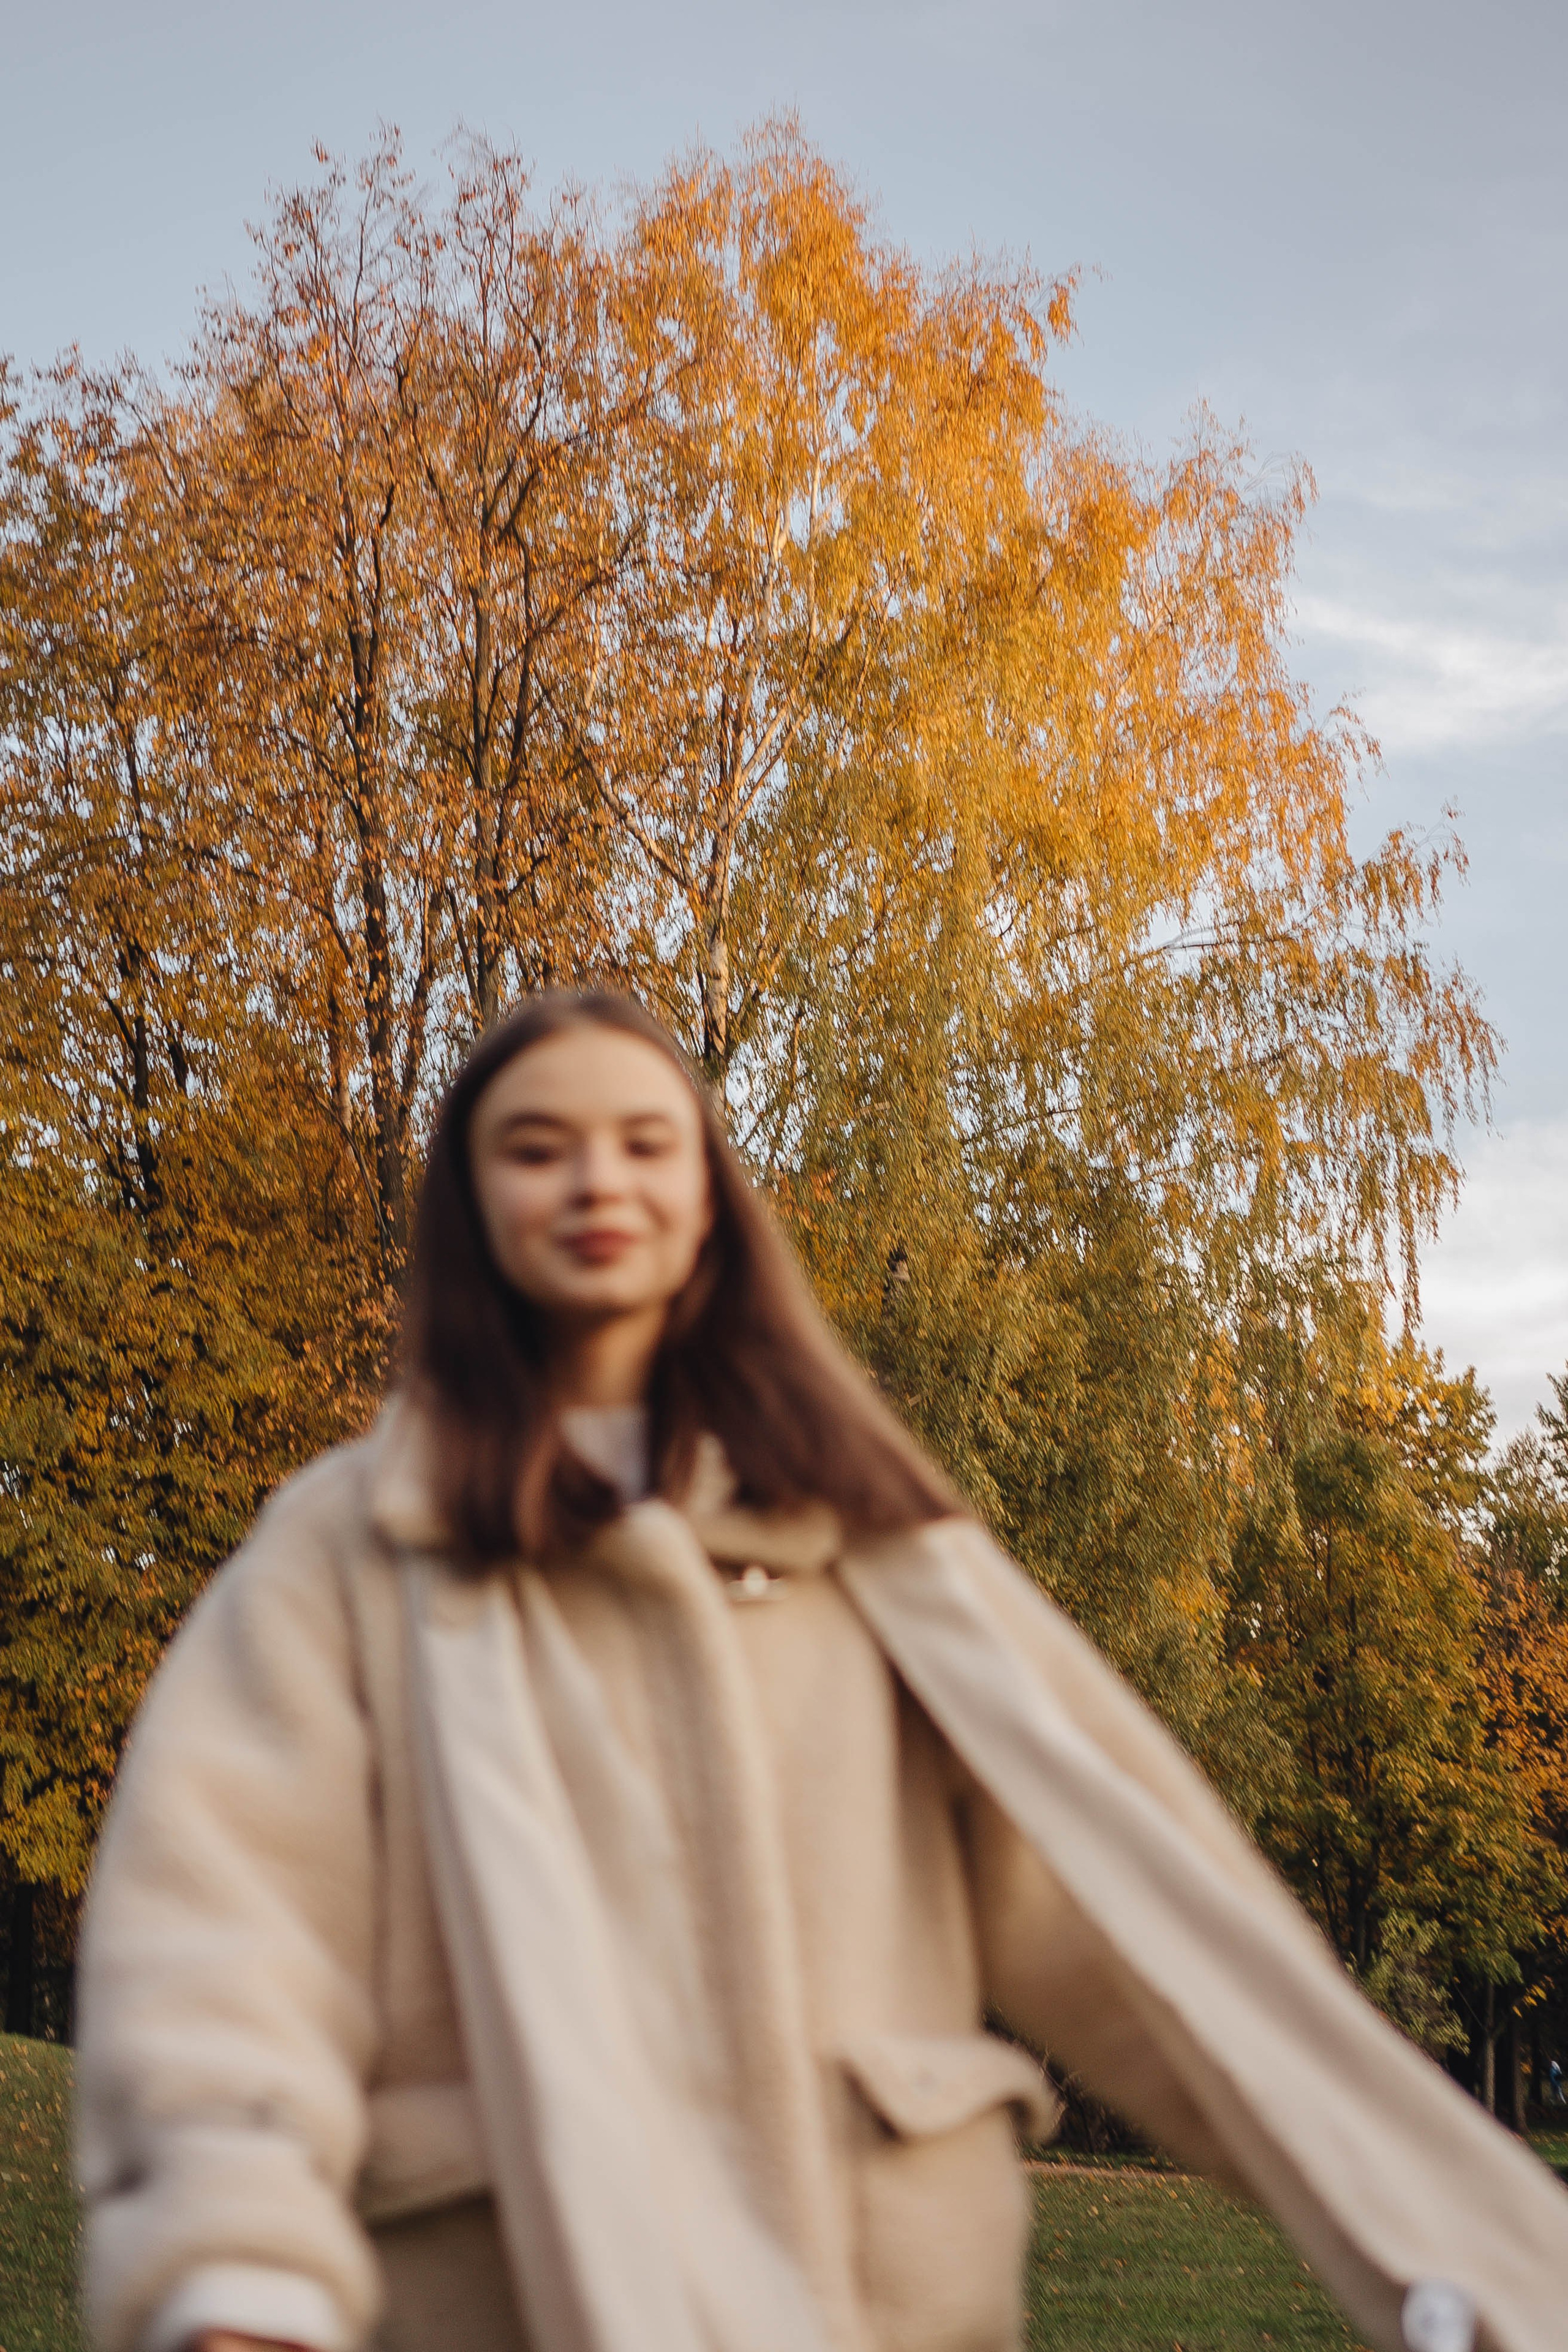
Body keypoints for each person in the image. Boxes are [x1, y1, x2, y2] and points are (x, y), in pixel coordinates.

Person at [74, 992, 1568, 2352]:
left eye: (645, 1145)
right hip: (503, 2298)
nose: (598, 1184)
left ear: (707, 1197)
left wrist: (1429, 2239)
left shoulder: (866, 1540)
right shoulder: (349, 1552)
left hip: (885, 2300)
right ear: (471, 1201)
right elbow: (225, 1949)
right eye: (539, 1149)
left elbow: (1135, 1924)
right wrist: (233, 2273)